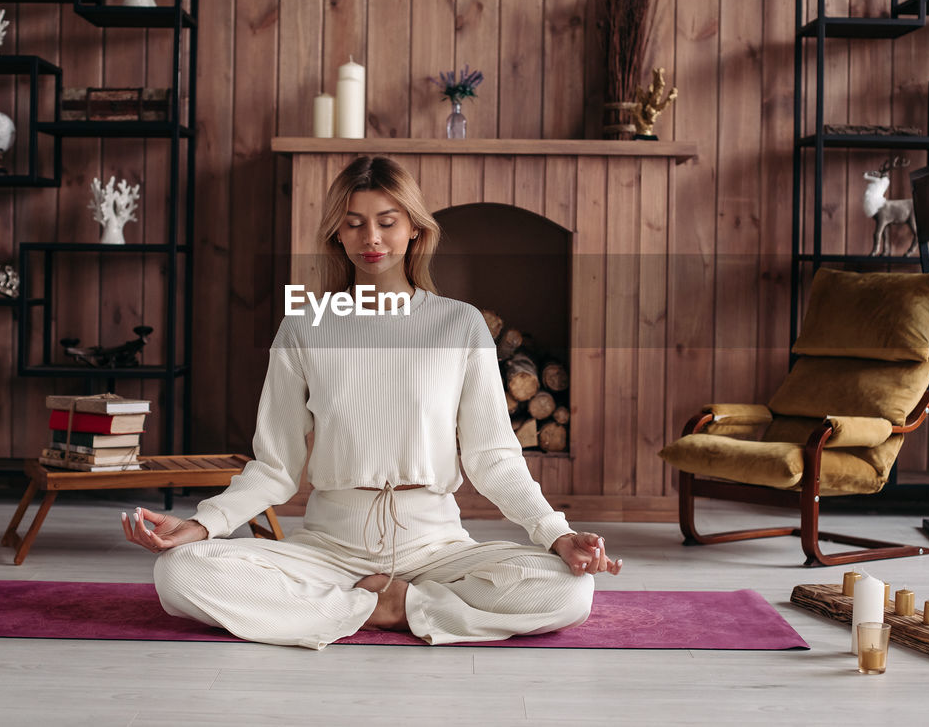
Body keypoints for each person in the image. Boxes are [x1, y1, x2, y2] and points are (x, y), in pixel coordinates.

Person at [122, 155, 621, 649]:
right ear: (338, 233)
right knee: (180, 573)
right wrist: (203, 523)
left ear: (414, 230)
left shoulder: (460, 324)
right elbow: (275, 467)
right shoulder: (303, 325)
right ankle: (377, 605)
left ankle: (397, 605)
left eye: (387, 222)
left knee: (569, 589)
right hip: (329, 549)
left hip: (438, 550)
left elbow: (492, 459)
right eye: (354, 223)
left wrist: (556, 534)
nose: (372, 238)